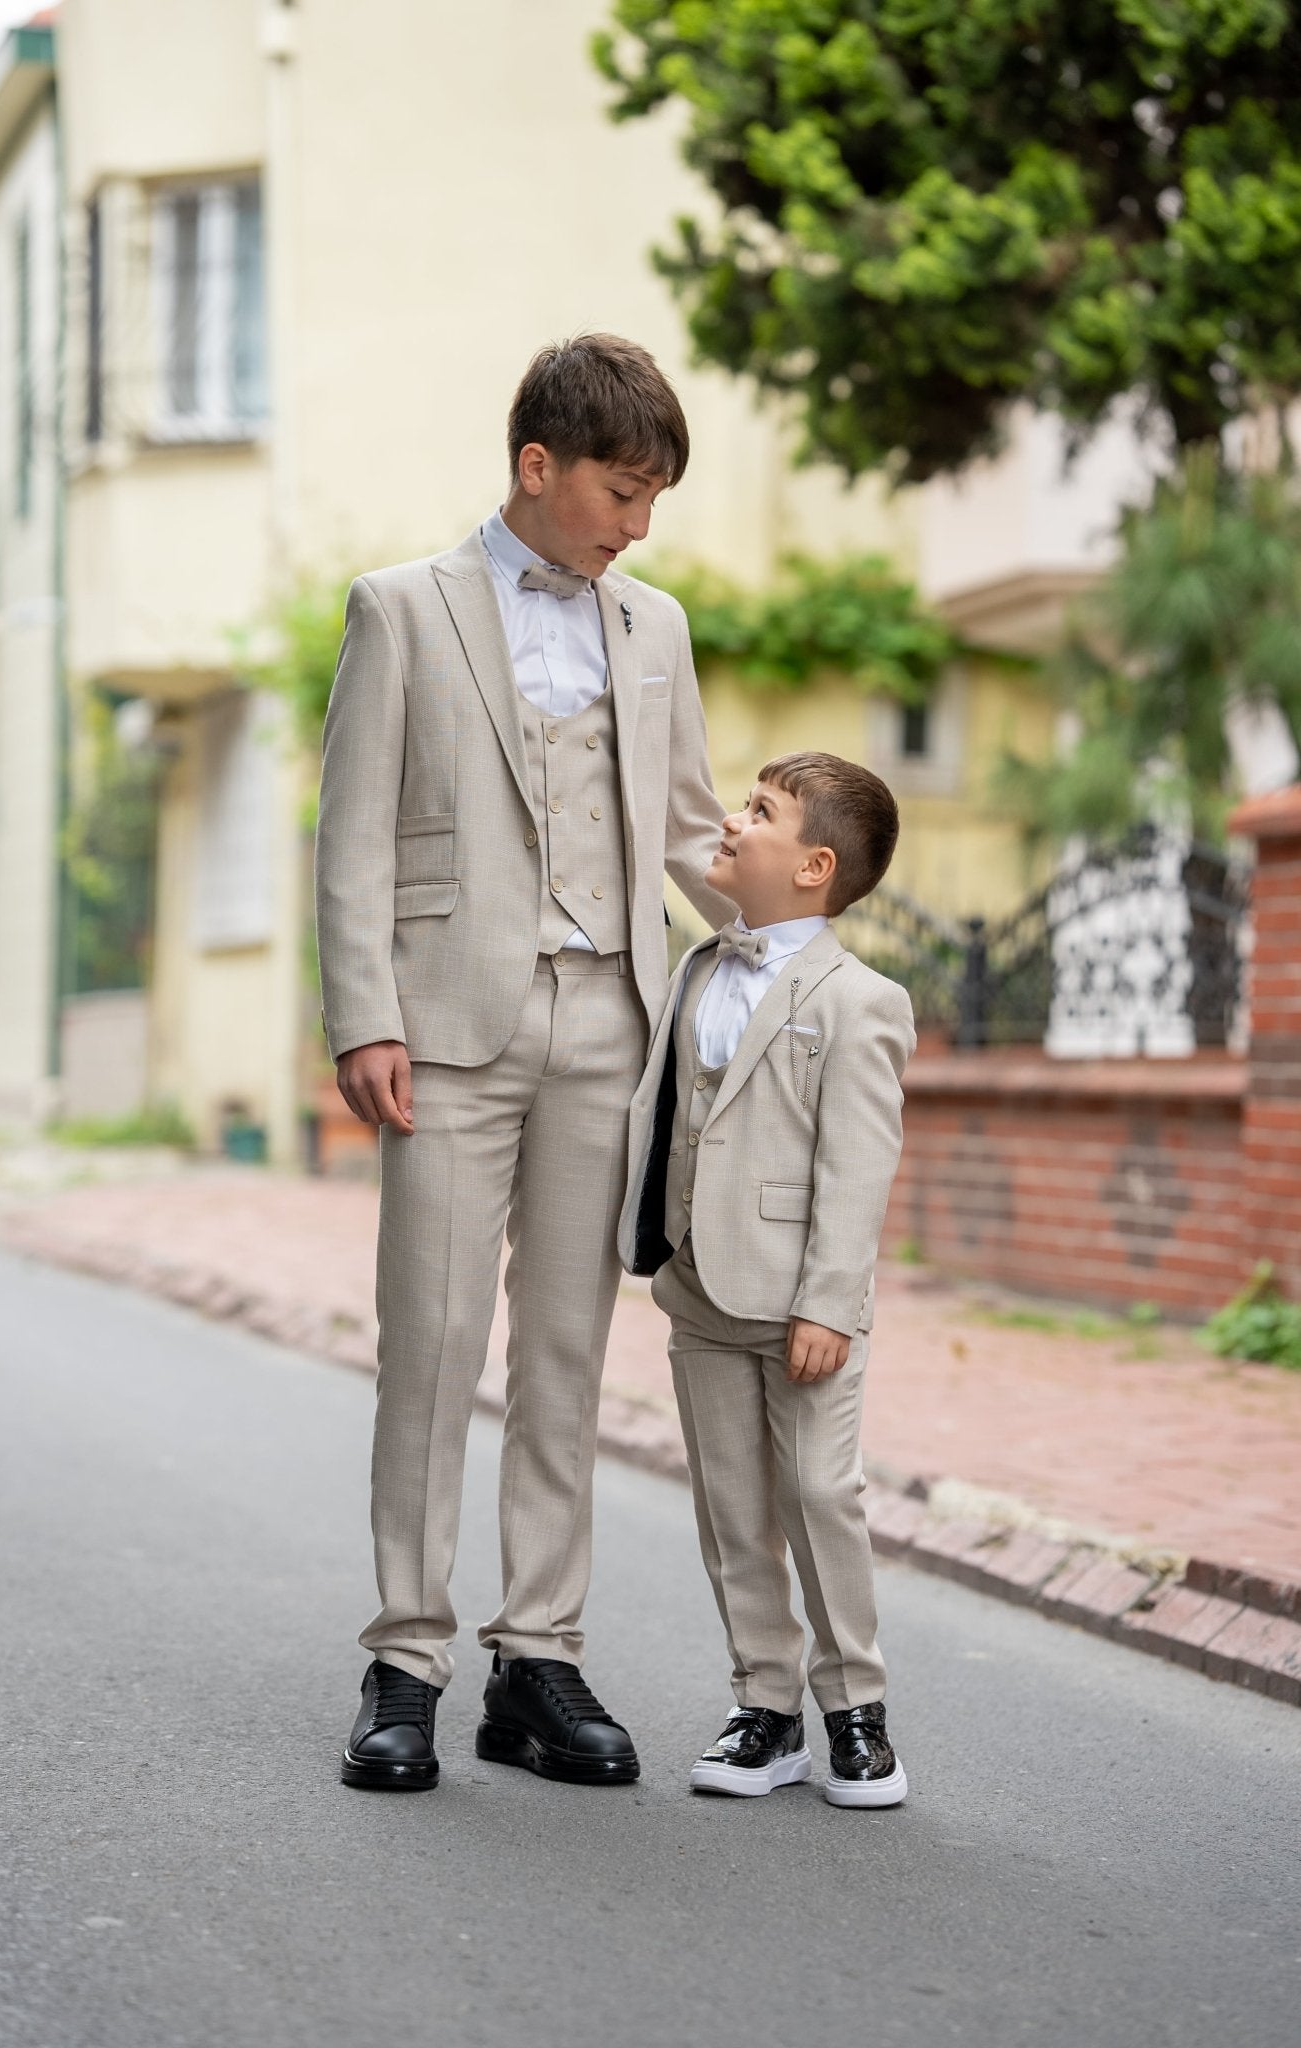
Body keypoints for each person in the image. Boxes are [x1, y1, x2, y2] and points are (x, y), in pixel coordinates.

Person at [315, 334, 732, 1791]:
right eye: (621, 492)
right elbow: (353, 828)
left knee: (565, 1352)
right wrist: (363, 1012)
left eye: (655, 503)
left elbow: (688, 831)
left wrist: (801, 942)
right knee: (428, 1349)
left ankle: (537, 1660)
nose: (635, 526)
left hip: (607, 1025)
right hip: (445, 1029)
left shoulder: (656, 629)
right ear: (537, 468)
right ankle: (404, 1661)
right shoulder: (403, 610)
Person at [618, 752, 915, 1805]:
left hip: (801, 1304)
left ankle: (855, 1709)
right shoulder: (699, 967)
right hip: (700, 1289)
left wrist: (831, 1302)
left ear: (813, 865)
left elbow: (857, 1163)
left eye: (761, 811)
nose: (734, 822)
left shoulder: (860, 1001)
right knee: (732, 1505)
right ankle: (766, 1705)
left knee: (819, 1493)